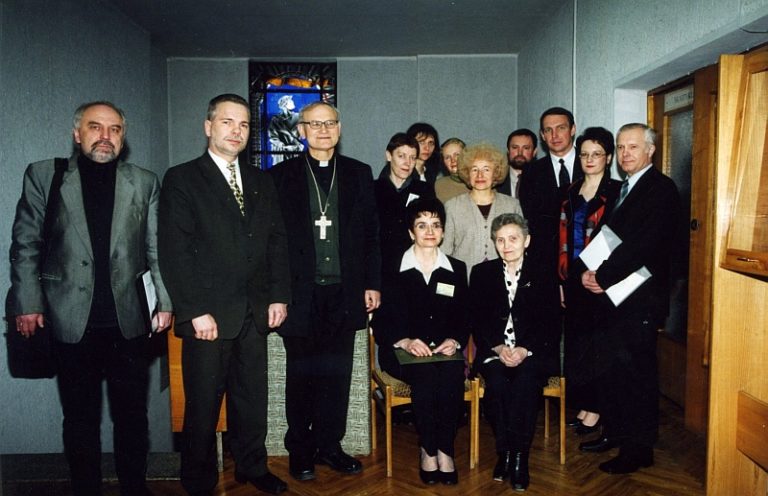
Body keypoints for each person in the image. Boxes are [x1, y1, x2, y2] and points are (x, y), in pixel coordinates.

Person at [7, 101, 173, 496]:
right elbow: (25, 244)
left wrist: (164, 303)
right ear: (77, 134)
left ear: (123, 137)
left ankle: (135, 488)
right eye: (95, 127)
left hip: (129, 323)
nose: (105, 136)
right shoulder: (45, 176)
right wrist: (28, 303)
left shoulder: (145, 182)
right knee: (80, 419)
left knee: (132, 417)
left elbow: (156, 249)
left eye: (115, 129)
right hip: (69, 320)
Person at [158, 93, 291, 496]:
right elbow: (175, 251)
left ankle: (253, 466)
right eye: (227, 122)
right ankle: (198, 480)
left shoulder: (261, 181)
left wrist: (279, 296)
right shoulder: (182, 178)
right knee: (202, 404)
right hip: (208, 316)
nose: (237, 131)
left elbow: (276, 242)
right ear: (208, 126)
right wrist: (194, 310)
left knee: (252, 398)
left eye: (244, 124)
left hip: (254, 311)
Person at [269, 101, 381, 482]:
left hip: (344, 293)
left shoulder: (359, 173)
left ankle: (330, 445)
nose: (322, 130)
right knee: (301, 376)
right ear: (301, 130)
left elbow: (371, 234)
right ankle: (301, 449)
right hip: (300, 295)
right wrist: (276, 293)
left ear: (339, 128)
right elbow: (272, 241)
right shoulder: (280, 176)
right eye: (314, 124)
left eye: (329, 123)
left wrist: (372, 283)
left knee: (337, 375)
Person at [576, 123, 680, 474]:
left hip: (639, 299)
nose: (625, 154)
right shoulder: (625, 187)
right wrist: (585, 270)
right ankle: (616, 433)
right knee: (614, 371)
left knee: (637, 375)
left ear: (651, 150)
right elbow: (607, 237)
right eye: (620, 147)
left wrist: (602, 277)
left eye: (633, 147)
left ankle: (638, 449)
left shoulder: (660, 189)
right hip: (614, 298)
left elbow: (643, 245)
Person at [372, 197, 469, 486]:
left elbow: (464, 317)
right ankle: (428, 449)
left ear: (443, 231)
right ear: (411, 231)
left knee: (451, 375)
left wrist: (455, 340)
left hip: (444, 352)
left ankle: (445, 450)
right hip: (401, 351)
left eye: (436, 225)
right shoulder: (391, 268)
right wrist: (404, 341)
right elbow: (380, 321)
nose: (430, 231)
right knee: (426, 375)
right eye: (422, 225)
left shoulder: (456, 268)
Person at [470, 213, 556, 491]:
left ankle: (519, 457)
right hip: (495, 351)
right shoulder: (482, 273)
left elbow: (550, 322)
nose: (506, 246)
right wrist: (498, 346)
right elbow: (478, 320)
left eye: (513, 239)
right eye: (500, 240)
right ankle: (504, 452)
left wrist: (524, 349)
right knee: (496, 383)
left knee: (525, 383)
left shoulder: (543, 272)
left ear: (526, 240)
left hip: (532, 352)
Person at [558, 127, 621, 436]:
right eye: (584, 154)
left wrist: (601, 274)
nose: (590, 159)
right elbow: (560, 237)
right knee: (578, 345)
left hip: (601, 279)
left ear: (608, 158)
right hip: (572, 277)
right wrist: (561, 281)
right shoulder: (570, 191)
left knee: (600, 346)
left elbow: (618, 239)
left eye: (597, 154)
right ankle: (585, 405)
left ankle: (597, 410)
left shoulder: (617, 192)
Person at [519, 107, 584, 376]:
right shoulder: (532, 173)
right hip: (545, 267)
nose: (555, 135)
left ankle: (579, 392)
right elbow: (532, 224)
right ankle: (551, 390)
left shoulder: (589, 164)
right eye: (548, 130)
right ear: (542, 136)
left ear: (573, 129)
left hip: (585, 267)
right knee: (547, 335)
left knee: (583, 337)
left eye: (561, 128)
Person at [442, 142, 522, 277]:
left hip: (502, 279)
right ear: (467, 173)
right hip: (464, 279)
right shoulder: (452, 206)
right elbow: (445, 250)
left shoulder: (512, 205)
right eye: (474, 170)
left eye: (486, 170)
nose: (480, 175)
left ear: (496, 173)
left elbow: (520, 247)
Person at [375, 132, 435, 281]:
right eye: (401, 156)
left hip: (415, 267)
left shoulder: (425, 190)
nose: (407, 163)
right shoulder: (373, 189)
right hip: (381, 268)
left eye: (412, 158)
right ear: (389, 156)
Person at [497, 128, 538, 198]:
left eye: (526, 148)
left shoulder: (544, 180)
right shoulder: (496, 179)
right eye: (515, 147)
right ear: (508, 151)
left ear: (534, 152)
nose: (520, 153)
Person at [268, 95, 303, 165]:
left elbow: (303, 133)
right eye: (290, 101)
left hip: (295, 151)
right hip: (281, 152)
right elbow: (273, 136)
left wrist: (295, 146)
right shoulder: (276, 120)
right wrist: (283, 146)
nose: (293, 102)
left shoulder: (298, 117)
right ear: (285, 104)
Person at [434, 138, 468, 204]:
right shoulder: (438, 185)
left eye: (457, 155)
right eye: (447, 157)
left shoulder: (479, 181)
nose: (453, 160)